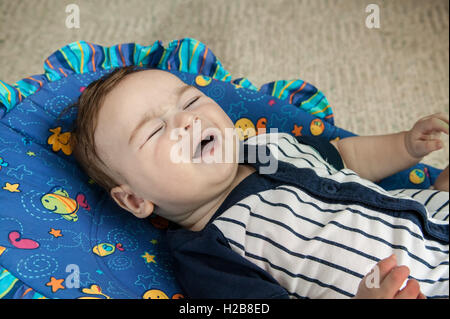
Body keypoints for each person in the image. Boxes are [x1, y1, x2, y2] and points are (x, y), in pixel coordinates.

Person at [64, 66, 449, 299]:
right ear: (134, 200)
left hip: (426, 213)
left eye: (190, 102)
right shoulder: (207, 254)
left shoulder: (270, 144)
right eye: (155, 131)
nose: (186, 122)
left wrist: (404, 146)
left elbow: (347, 158)